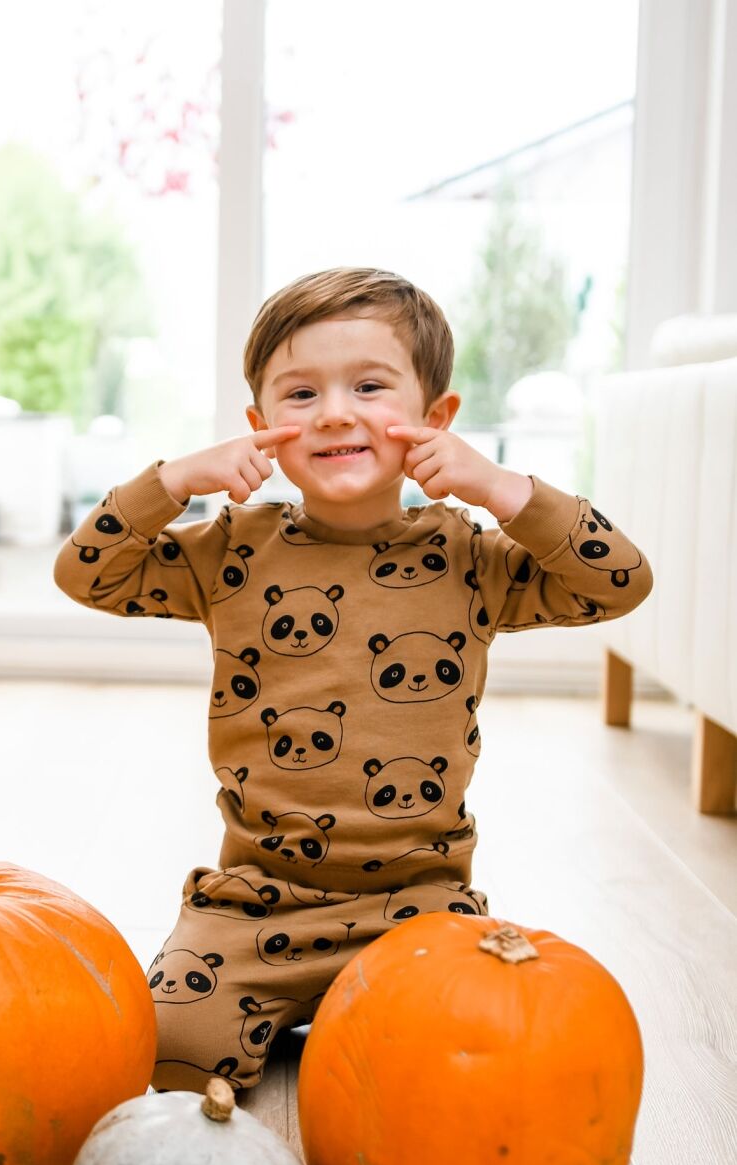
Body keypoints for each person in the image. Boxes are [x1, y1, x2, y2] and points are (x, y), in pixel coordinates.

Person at [53, 266, 652, 1094]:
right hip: (253, 902)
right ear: (261, 427)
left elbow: (618, 580)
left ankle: (358, 1017)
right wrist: (173, 483)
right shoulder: (230, 548)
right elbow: (89, 575)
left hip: (417, 903)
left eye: (369, 386)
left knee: (461, 1073)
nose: (335, 412)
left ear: (434, 417)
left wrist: (502, 489)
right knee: (166, 1051)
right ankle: (306, 1012)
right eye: (301, 396)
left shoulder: (471, 557)